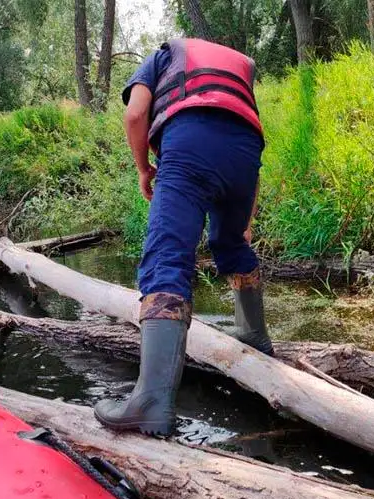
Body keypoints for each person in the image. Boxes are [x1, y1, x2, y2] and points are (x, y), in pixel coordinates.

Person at [93, 38, 274, 437]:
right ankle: (255, 338)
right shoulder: (239, 69)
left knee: (167, 259)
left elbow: (135, 114)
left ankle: (152, 404)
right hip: (246, 153)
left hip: (189, 140)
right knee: (232, 244)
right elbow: (246, 135)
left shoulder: (162, 55)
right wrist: (246, 216)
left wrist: (143, 168)